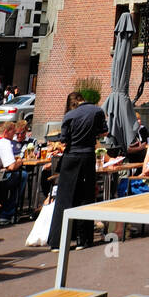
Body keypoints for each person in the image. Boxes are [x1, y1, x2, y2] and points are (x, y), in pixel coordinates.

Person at [48, 90, 107, 249]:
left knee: (64, 199)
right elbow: (104, 132)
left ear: (72, 103)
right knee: (86, 196)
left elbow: (64, 140)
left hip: (71, 157)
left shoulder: (69, 115)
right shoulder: (97, 111)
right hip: (87, 156)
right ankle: (84, 240)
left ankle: (58, 242)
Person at [0, 121, 25, 223]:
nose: (15, 135)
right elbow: (11, 167)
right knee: (23, 175)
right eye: (14, 133)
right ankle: (6, 214)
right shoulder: (4, 142)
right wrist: (20, 162)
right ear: (6, 132)